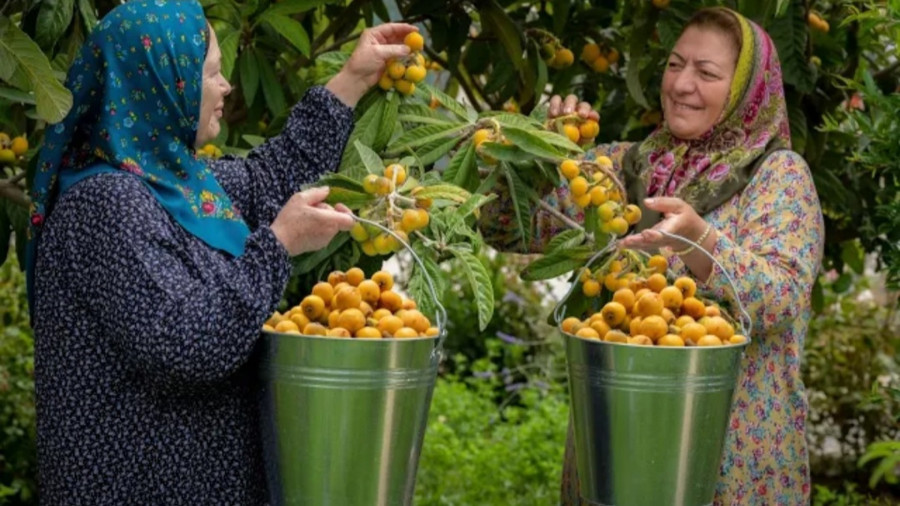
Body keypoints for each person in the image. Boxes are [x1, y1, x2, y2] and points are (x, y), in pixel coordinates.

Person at [25, 0, 417, 502]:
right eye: (210, 72)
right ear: (165, 85)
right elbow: (188, 347)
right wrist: (279, 244)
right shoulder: (104, 204)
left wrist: (354, 78)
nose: (227, 85)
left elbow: (271, 178)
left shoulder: (171, 182)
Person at [480, 7, 824, 505]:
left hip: (726, 463)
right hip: (614, 452)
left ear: (748, 91)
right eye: (674, 64)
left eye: (706, 73)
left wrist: (701, 241)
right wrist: (538, 152)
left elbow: (779, 299)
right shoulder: (625, 167)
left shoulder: (779, 177)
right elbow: (505, 225)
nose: (682, 84)